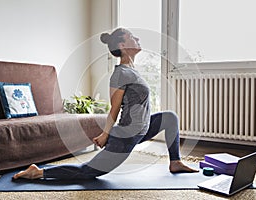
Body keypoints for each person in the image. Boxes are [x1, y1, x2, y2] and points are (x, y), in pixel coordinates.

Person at [13, 28, 198, 180]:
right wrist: (105, 134)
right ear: (122, 45)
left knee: (169, 117)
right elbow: (114, 109)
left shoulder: (133, 71)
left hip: (142, 129)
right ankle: (38, 172)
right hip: (126, 136)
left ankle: (175, 161)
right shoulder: (120, 74)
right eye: (132, 37)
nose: (138, 38)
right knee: (88, 172)